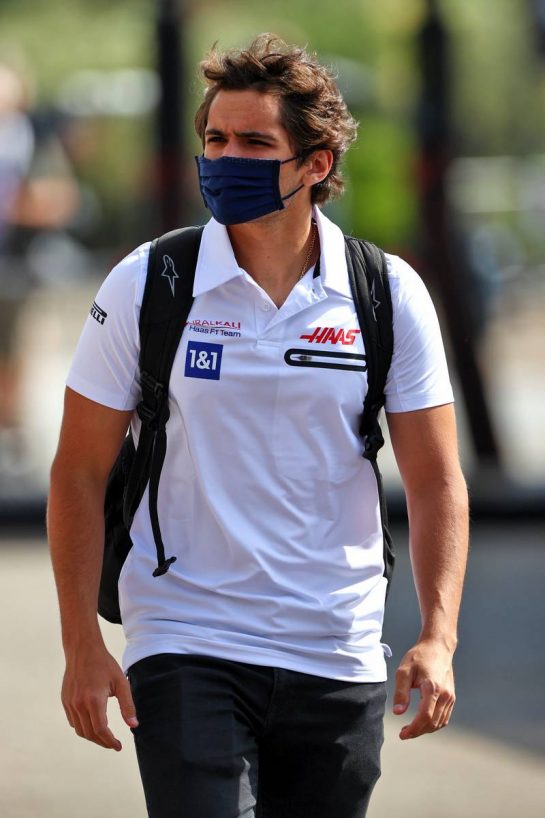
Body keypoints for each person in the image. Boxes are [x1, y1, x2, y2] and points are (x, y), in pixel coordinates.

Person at [48, 34, 469, 818]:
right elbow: (77, 469)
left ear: (314, 164)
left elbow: (436, 477)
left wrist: (437, 634)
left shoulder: (386, 294)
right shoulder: (148, 283)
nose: (224, 158)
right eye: (214, 139)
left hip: (335, 644)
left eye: (252, 142)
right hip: (185, 635)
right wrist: (80, 642)